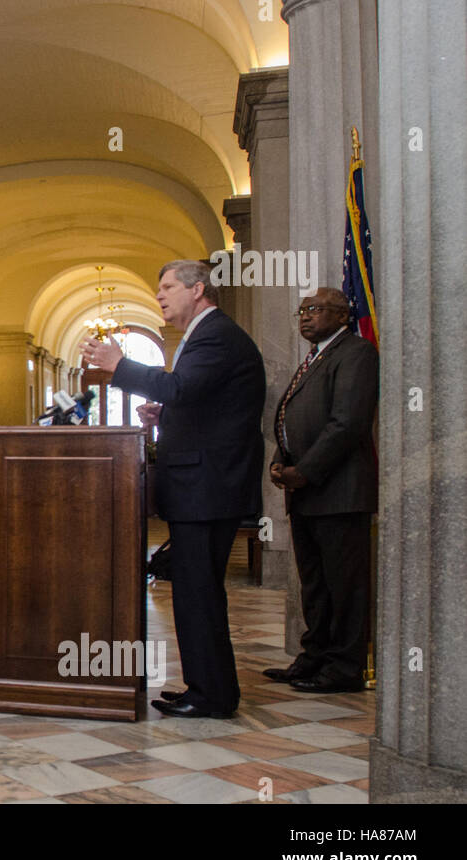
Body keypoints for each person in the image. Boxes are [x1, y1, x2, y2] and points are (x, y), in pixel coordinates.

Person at [82, 259, 265, 719]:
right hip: (204, 485)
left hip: (208, 488)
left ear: (198, 289)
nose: (160, 295)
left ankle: (213, 696)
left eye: (167, 287)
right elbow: (203, 401)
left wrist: (119, 364)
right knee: (193, 590)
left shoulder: (215, 333)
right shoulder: (203, 334)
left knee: (198, 592)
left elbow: (181, 387)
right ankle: (205, 688)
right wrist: (168, 416)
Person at [265, 287, 378, 694]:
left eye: (316, 310)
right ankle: (314, 656)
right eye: (303, 310)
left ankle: (344, 667)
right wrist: (282, 460)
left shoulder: (356, 353)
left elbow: (348, 424)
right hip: (307, 492)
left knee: (344, 584)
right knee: (314, 582)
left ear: (343, 315)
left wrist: (305, 471)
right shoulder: (314, 358)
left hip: (339, 492)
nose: (306, 317)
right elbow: (291, 417)